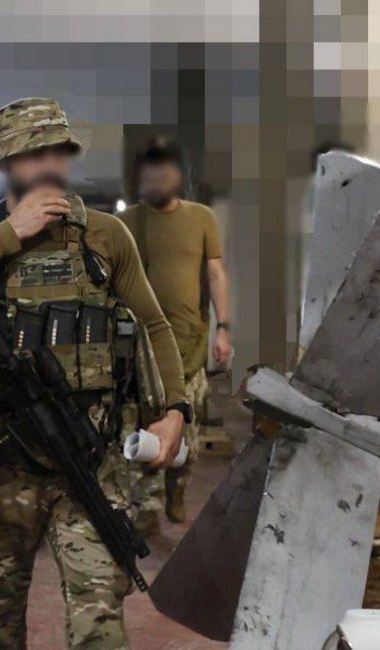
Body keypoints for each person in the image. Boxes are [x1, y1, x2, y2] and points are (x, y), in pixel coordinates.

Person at [0, 97, 190, 649]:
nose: (49, 165)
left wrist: (176, 408)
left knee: (99, 616)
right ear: (7, 163)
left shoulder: (102, 235)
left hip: (90, 456)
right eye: (34, 154)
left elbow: (153, 324)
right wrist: (12, 233)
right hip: (0, 466)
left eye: (58, 151)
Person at [118, 136, 233, 526]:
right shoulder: (128, 223)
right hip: (141, 351)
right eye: (148, 177)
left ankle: (177, 488)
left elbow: (216, 273)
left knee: (189, 432)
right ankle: (146, 507)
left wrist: (224, 329)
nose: (155, 183)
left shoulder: (201, 218)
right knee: (146, 425)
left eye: (162, 175)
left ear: (177, 178)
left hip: (190, 346)